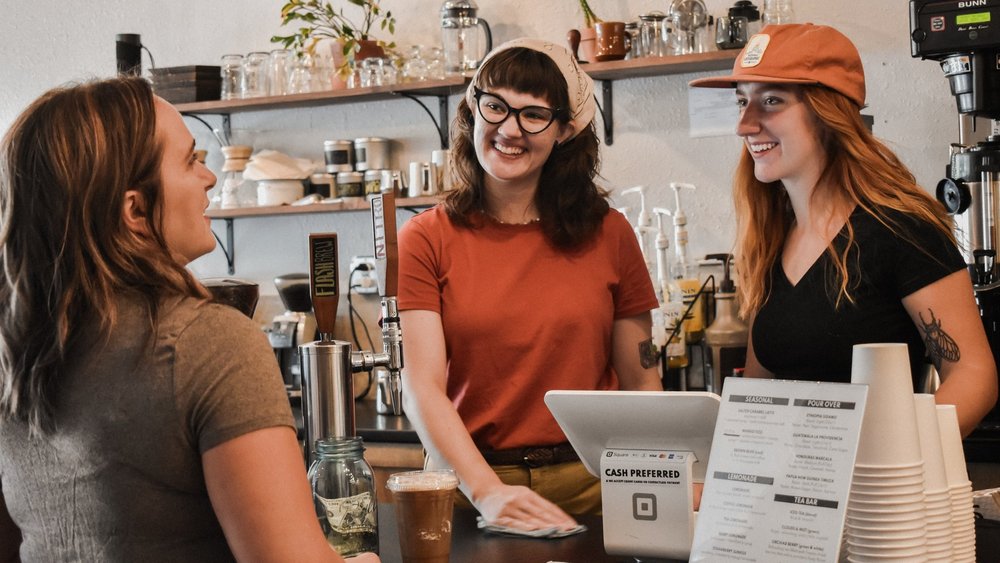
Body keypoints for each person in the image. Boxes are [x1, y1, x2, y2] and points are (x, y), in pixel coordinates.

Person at [0, 77, 377, 562]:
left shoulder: (16, 347)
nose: (211, 177)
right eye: (191, 160)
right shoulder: (210, 344)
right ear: (135, 209)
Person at [397, 38, 663, 533]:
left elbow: (641, 380)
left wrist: (668, 478)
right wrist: (488, 492)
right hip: (471, 487)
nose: (509, 129)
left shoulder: (611, 233)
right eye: (495, 106)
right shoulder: (425, 237)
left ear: (565, 130)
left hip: (595, 485)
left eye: (533, 114)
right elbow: (421, 387)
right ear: (472, 112)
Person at [690, 23, 998, 436]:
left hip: (875, 495)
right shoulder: (770, 238)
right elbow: (758, 396)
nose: (744, 125)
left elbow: (974, 375)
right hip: (790, 494)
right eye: (742, 102)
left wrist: (896, 458)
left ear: (827, 113)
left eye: (771, 101)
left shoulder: (901, 229)